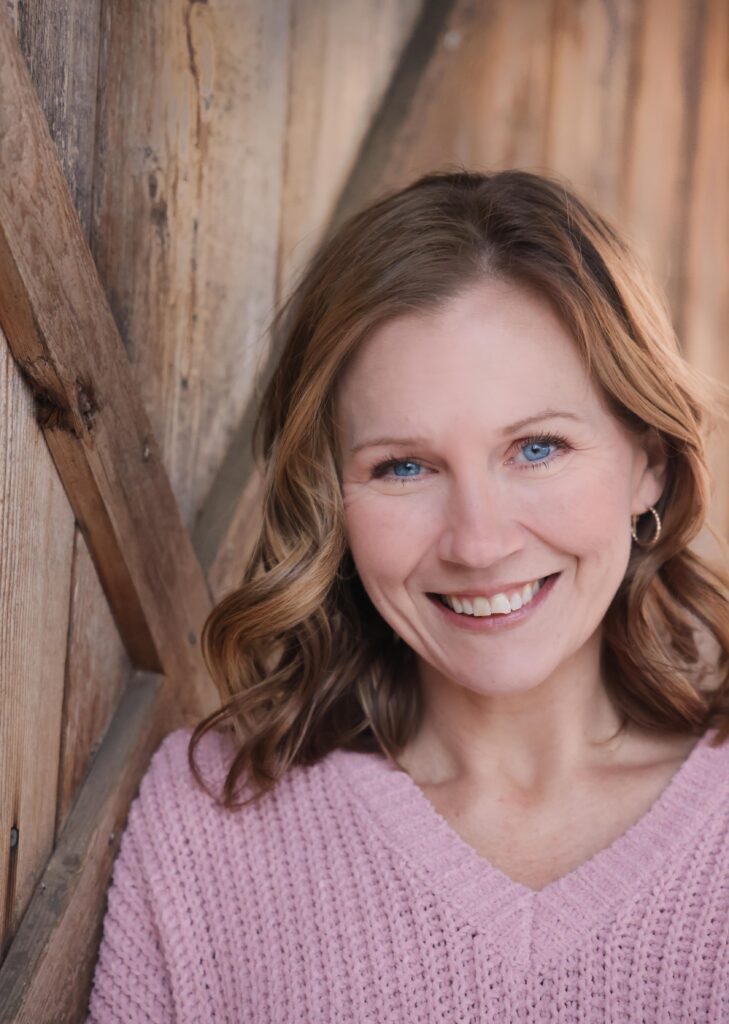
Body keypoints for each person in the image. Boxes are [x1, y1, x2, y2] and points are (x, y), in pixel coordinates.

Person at [86, 170, 729, 1022]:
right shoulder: (212, 823)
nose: (477, 541)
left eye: (536, 448)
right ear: (331, 498)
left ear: (647, 461)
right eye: (404, 466)